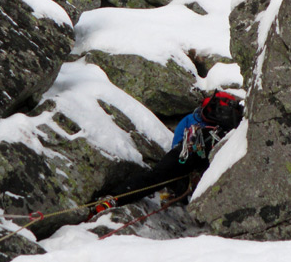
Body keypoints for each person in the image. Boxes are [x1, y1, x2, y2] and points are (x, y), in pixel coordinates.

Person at [90, 90, 242, 215]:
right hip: (212, 158)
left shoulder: (190, 120)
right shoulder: (231, 126)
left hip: (186, 155)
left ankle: (114, 198)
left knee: (155, 177)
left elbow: (177, 146)